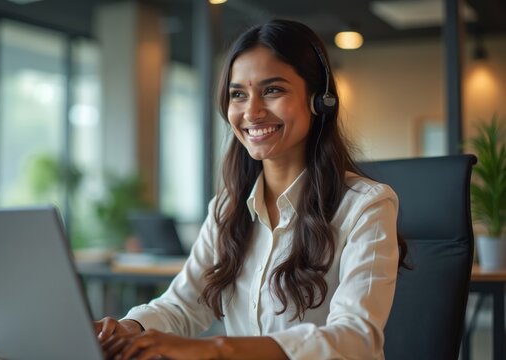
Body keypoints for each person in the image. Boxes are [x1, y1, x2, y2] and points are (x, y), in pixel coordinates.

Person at [94, 18, 407, 360]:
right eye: (238, 95)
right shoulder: (227, 208)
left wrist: (219, 349)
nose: (252, 112)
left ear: (320, 101)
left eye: (273, 90)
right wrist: (128, 328)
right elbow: (183, 305)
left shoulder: (366, 206)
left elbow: (355, 339)